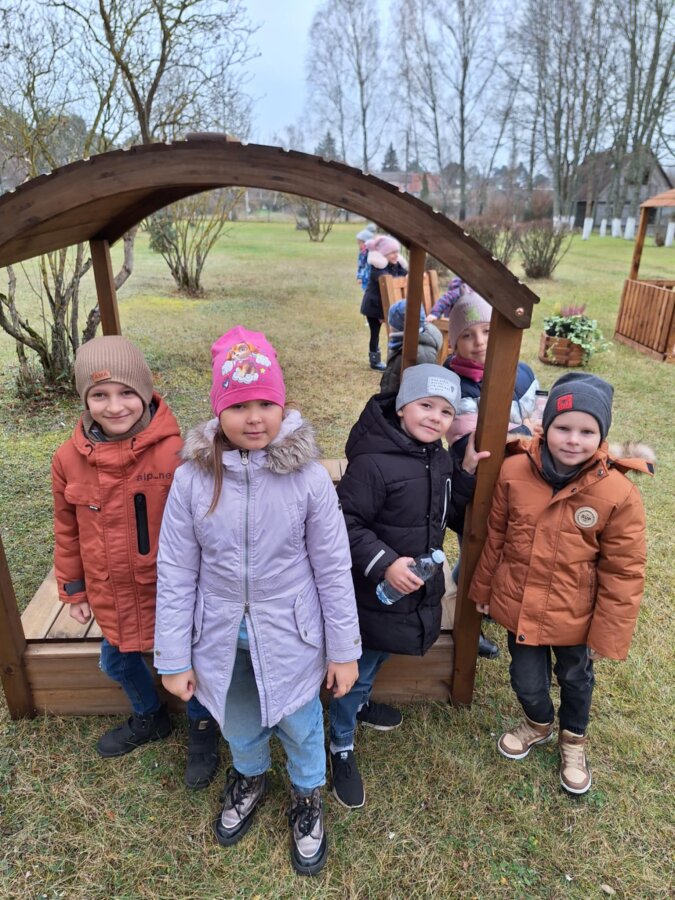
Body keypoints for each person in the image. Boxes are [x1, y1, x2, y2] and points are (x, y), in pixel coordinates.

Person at [153, 326, 361, 877]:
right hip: (220, 636)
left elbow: (333, 569)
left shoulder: (309, 479)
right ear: (218, 409)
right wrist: (173, 657)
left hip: (292, 633)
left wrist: (344, 651)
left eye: (265, 403)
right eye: (239, 405)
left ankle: (308, 792)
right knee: (240, 718)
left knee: (300, 723)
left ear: (282, 405)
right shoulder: (191, 480)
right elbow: (176, 571)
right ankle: (248, 774)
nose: (253, 418)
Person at [469, 373, 653, 795]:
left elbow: (624, 572)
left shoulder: (619, 494)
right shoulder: (513, 471)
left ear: (602, 435)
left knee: (575, 679)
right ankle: (538, 723)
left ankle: (573, 740)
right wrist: (483, 589)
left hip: (577, 617)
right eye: (563, 427)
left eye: (587, 431)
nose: (573, 440)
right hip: (521, 605)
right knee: (525, 679)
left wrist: (607, 633)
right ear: (545, 425)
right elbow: (495, 537)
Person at [51, 336, 220, 788]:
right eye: (99, 394)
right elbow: (67, 529)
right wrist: (74, 590)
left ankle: (203, 728)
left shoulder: (177, 452)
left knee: (190, 665)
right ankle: (150, 716)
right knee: (116, 663)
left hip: (171, 592)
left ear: (145, 391)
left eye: (126, 392)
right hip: (111, 592)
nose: (114, 406)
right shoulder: (67, 459)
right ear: (84, 399)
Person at [329, 364, 490, 808]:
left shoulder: (438, 458)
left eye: (445, 411)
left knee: (377, 657)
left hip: (410, 591)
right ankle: (340, 742)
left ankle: (360, 706)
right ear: (402, 407)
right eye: (425, 405)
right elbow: (344, 523)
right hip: (371, 591)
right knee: (359, 668)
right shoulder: (372, 463)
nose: (435, 417)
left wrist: (466, 473)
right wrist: (385, 563)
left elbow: (446, 513)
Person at [443, 290, 539, 659]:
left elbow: (537, 415)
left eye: (486, 330)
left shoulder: (521, 372)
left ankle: (479, 595)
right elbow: (464, 436)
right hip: (475, 483)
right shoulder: (452, 383)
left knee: (501, 549)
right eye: (467, 335)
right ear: (454, 343)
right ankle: (467, 618)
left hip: (518, 483)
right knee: (477, 546)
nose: (479, 342)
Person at [360, 235, 408, 371]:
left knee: (393, 332)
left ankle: (395, 357)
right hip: (373, 307)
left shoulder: (395, 264)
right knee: (375, 334)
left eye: (397, 252)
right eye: (392, 253)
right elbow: (388, 281)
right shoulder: (377, 269)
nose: (395, 255)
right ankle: (374, 360)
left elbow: (404, 274)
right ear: (384, 254)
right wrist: (382, 315)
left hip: (387, 306)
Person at [379, 298, 443, 394]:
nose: (389, 326)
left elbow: (420, 388)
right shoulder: (401, 343)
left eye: (391, 322)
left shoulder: (417, 353)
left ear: (400, 326)